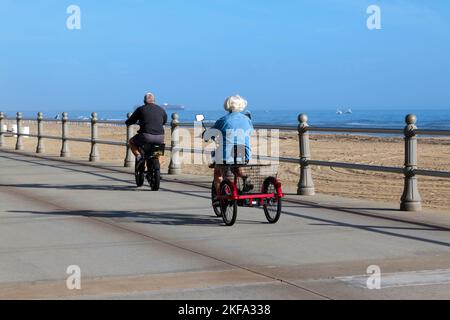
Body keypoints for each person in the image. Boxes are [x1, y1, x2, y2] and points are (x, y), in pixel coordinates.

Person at [204, 95, 254, 193]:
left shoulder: (223, 120)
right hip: (244, 152)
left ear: (227, 105)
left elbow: (210, 134)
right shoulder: (247, 119)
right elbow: (250, 132)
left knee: (218, 173)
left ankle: (220, 197)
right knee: (237, 168)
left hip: (226, 155)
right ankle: (245, 177)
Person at [126, 92, 167, 162]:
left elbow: (130, 121)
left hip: (146, 136)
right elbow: (164, 121)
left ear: (144, 101)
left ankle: (138, 156)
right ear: (154, 101)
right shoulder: (161, 110)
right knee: (158, 151)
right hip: (160, 137)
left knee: (131, 142)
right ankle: (158, 163)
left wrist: (128, 123)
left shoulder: (141, 109)